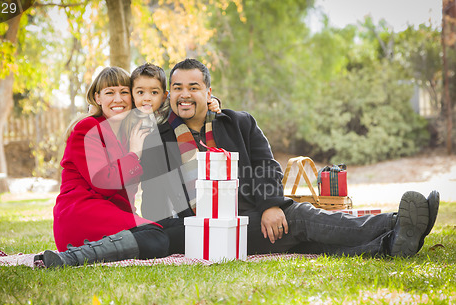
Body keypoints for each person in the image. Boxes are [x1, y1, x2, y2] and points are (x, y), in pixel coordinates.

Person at [140, 58, 440, 258]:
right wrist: (192, 233)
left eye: (194, 87)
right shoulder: (157, 139)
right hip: (208, 230)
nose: (185, 95)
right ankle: (398, 223)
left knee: (307, 240)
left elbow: (267, 167)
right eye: (177, 88)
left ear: (208, 92)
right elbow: (154, 204)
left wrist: (270, 205)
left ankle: (392, 243)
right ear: (169, 95)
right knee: (299, 219)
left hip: (254, 211)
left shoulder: (238, 122)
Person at [38, 66, 170, 268]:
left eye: (124, 92)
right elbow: (104, 183)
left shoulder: (129, 133)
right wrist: (134, 154)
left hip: (112, 218)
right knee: (156, 237)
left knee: (176, 230)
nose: (118, 99)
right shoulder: (87, 128)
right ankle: (69, 259)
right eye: (110, 93)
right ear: (98, 98)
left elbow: (161, 106)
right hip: (81, 215)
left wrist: (209, 104)